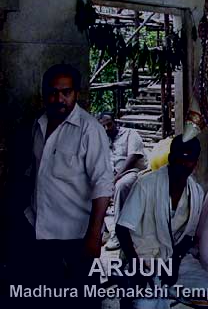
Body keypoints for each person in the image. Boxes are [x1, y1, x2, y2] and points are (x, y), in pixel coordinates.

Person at [24, 63, 114, 309]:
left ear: (76, 93)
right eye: (53, 92)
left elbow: (103, 184)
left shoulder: (89, 130)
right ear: (44, 93)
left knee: (82, 300)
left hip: (77, 236)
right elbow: (36, 175)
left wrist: (94, 236)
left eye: (66, 92)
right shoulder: (39, 125)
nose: (59, 98)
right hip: (41, 231)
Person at [116, 134, 208, 309]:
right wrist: (138, 268)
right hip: (139, 256)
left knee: (207, 295)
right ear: (170, 158)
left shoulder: (196, 192)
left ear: (195, 163)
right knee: (145, 305)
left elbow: (188, 236)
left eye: (188, 160)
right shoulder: (146, 184)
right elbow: (121, 229)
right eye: (178, 159)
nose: (183, 165)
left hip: (173, 258)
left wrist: (175, 261)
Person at [98, 112, 147, 251]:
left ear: (116, 123)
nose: (107, 128)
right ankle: (104, 231)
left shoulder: (130, 134)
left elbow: (133, 158)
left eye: (109, 124)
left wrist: (114, 179)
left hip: (134, 173)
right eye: (103, 126)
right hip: (112, 176)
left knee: (121, 186)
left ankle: (119, 234)